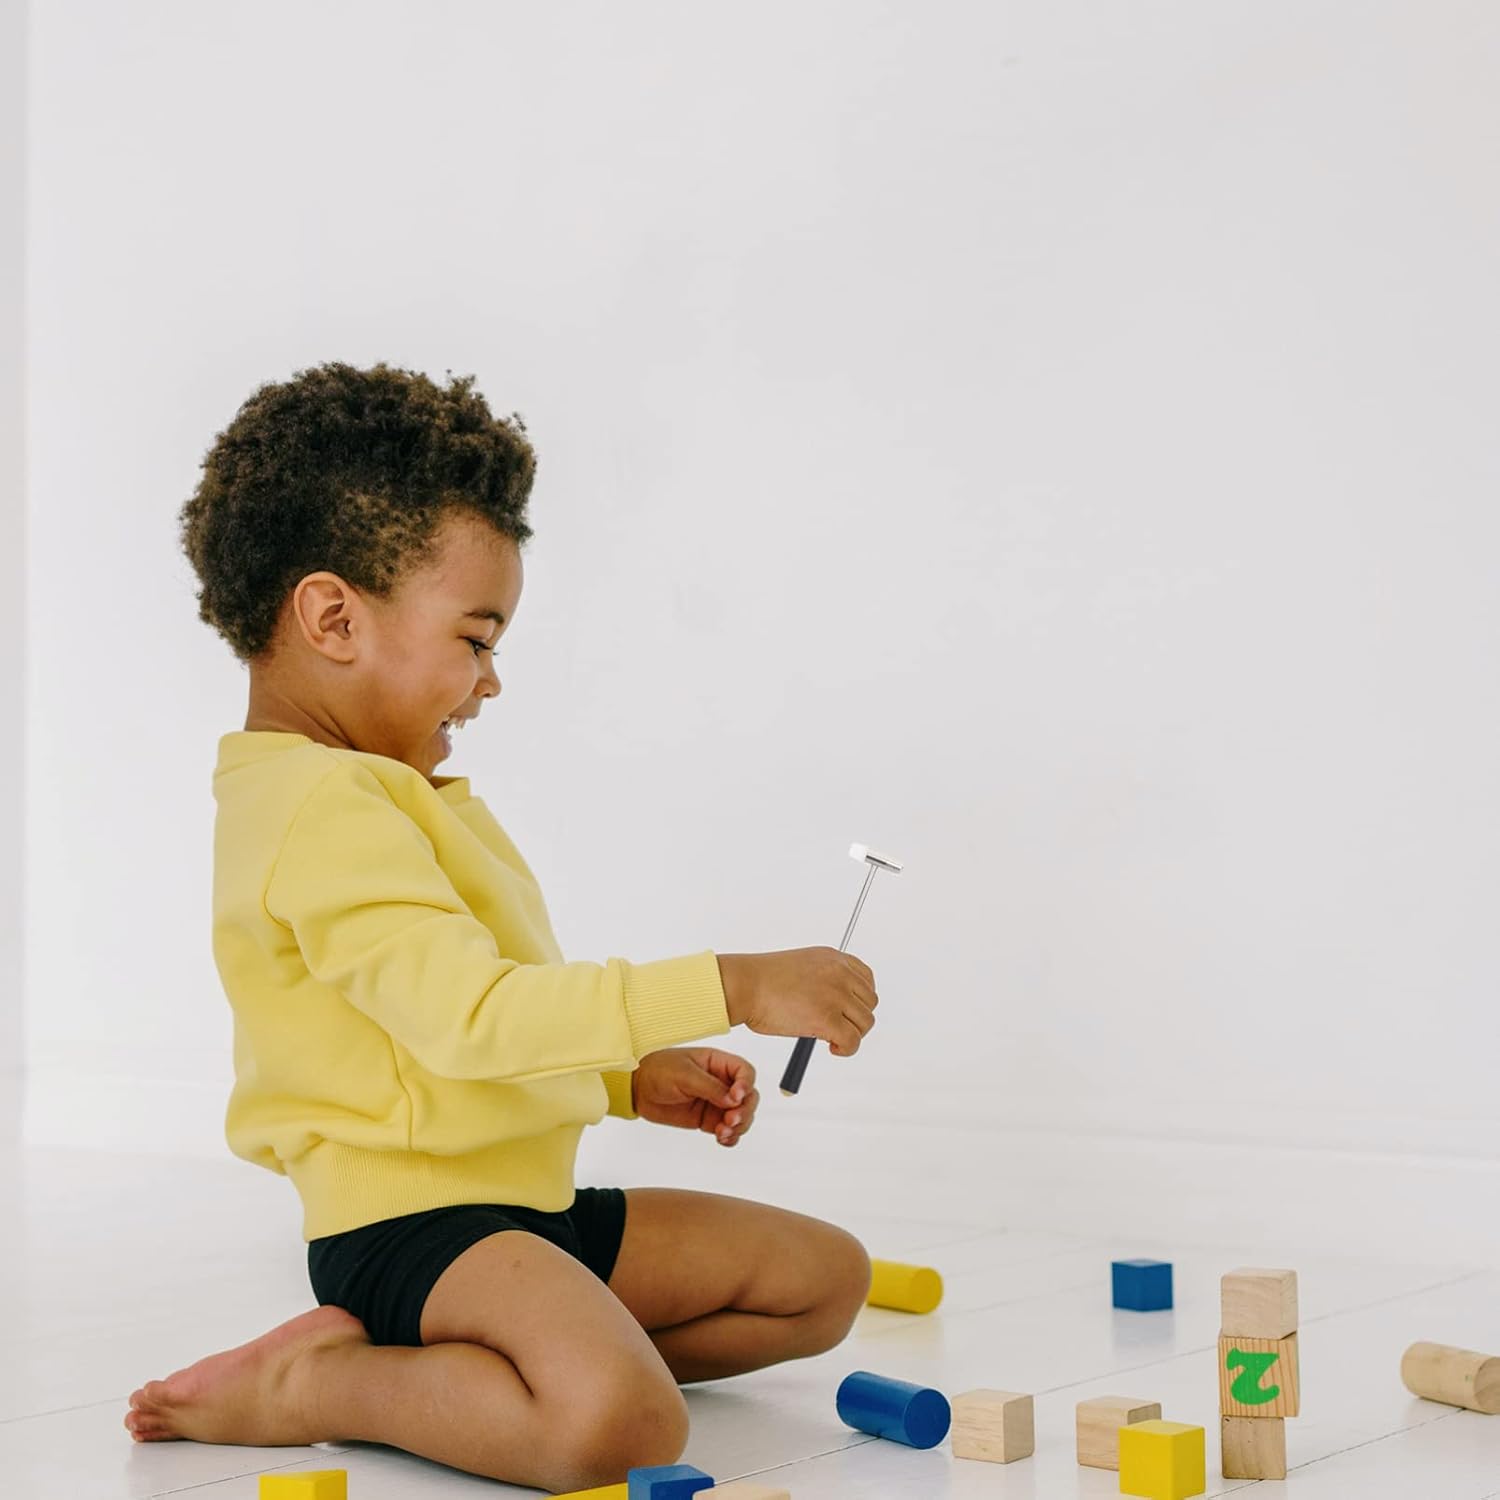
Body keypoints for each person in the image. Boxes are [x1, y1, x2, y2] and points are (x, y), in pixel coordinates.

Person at [123, 361, 878, 1493]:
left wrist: (623, 1078)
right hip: (411, 1231)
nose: (489, 683)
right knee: (621, 1428)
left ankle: (514, 1372)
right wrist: (731, 983)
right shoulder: (319, 809)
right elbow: (474, 1020)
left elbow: (447, 1031)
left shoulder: (382, 793)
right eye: (476, 640)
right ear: (333, 618)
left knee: (822, 1282)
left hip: (527, 1213)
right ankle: (321, 1384)